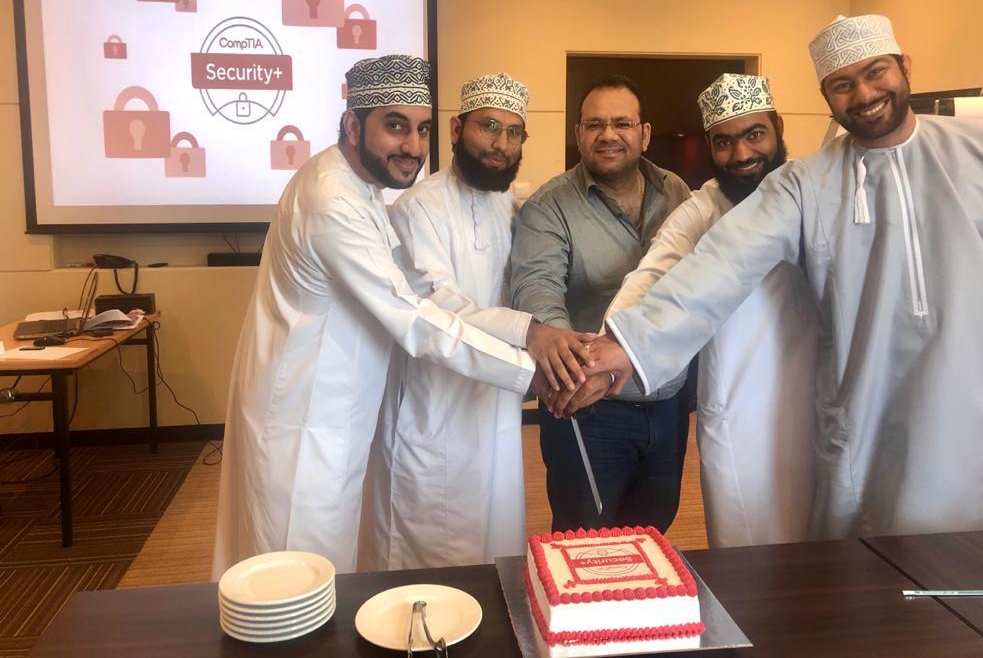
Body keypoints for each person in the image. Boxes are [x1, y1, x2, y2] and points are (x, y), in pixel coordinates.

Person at [581, 15, 983, 539]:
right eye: (843, 84)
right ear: (825, 96)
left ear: (905, 67)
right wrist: (629, 343)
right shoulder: (804, 183)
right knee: (871, 555)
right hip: (867, 402)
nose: (864, 94)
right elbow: (719, 262)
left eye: (875, 72)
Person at [212, 56, 591, 577]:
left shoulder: (362, 188)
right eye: (395, 126)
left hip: (339, 411)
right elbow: (415, 317)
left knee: (327, 567)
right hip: (306, 420)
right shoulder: (332, 199)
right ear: (353, 125)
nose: (412, 145)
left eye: (421, 129)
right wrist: (533, 371)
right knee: (296, 572)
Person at [604, 73, 819, 547]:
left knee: (823, 540)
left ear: (779, 127)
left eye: (754, 134)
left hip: (817, 399)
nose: (741, 154)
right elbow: (651, 275)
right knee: (744, 548)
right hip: (736, 408)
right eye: (724, 142)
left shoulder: (814, 191)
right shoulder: (701, 209)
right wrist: (611, 344)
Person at [360, 72, 545, 569]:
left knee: (497, 533)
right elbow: (440, 305)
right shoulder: (417, 207)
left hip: (496, 397)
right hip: (434, 401)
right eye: (489, 127)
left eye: (514, 132)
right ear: (457, 129)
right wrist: (531, 337)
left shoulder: (509, 206)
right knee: (432, 544)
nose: (501, 145)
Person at [510, 74, 691, 533]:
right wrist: (579, 367)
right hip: (590, 407)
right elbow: (538, 289)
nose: (608, 134)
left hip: (668, 402)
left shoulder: (676, 192)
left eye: (621, 123)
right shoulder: (549, 206)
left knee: (654, 533)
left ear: (644, 134)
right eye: (594, 125)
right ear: (578, 134)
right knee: (585, 540)